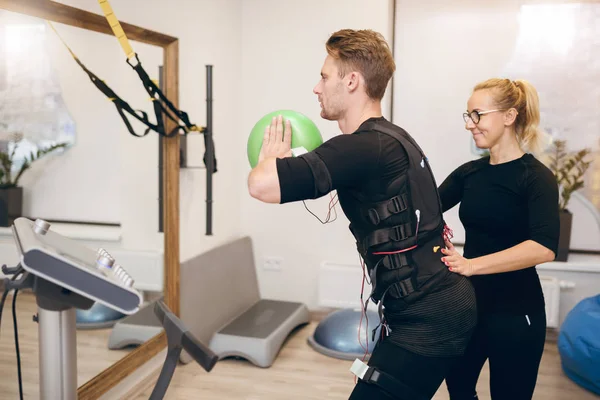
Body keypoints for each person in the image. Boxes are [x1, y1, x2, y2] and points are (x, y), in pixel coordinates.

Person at [247, 29, 477, 400]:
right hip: (430, 306)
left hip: (428, 316)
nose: (316, 88)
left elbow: (260, 185)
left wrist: (270, 158)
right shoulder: (392, 137)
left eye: (324, 76)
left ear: (351, 80)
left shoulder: (363, 147)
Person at [438, 78, 560, 400]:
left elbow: (544, 247)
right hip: (468, 309)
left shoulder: (536, 178)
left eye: (477, 114)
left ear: (508, 116)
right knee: (459, 390)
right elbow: (424, 211)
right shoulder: (469, 174)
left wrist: (471, 265)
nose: (470, 125)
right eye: (468, 115)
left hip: (517, 313)